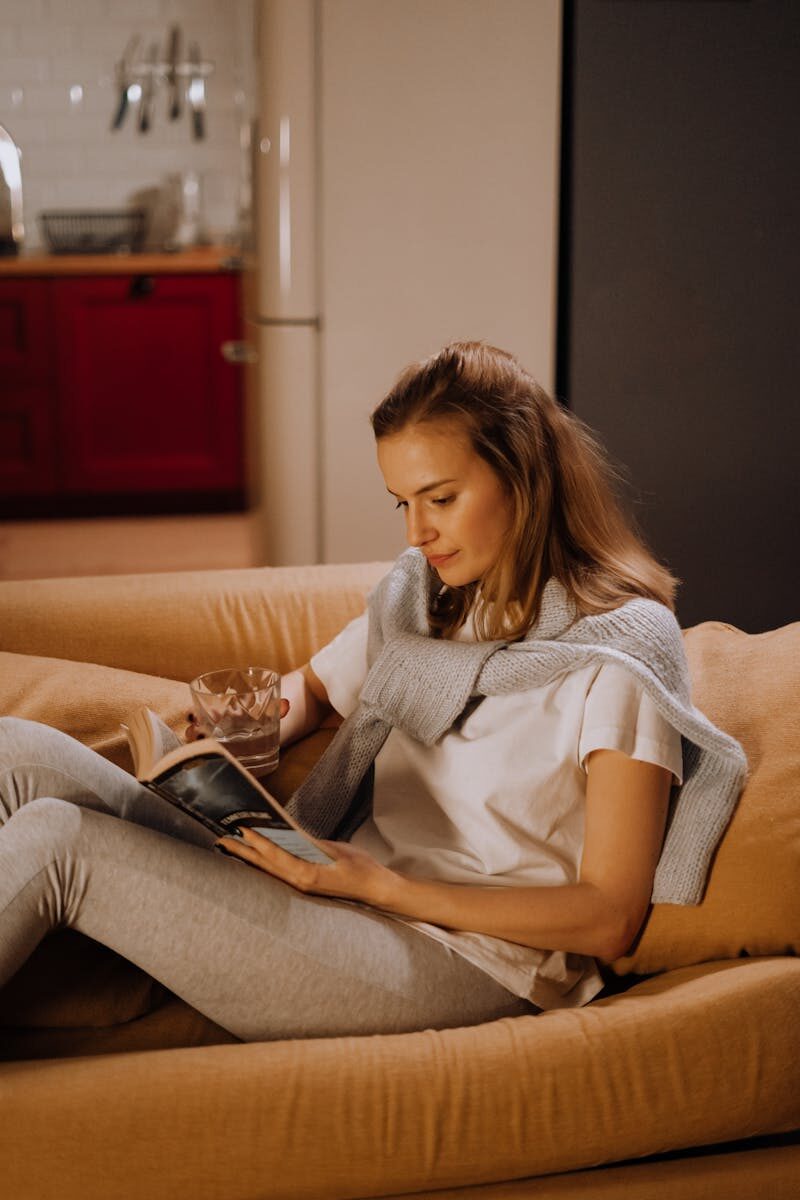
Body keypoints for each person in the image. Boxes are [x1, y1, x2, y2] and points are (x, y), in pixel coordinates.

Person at [0, 341, 745, 1042]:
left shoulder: (620, 654)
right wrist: (252, 731)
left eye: (441, 498)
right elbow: (317, 691)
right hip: (337, 887)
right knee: (17, 751)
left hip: (472, 956)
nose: (417, 532)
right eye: (402, 504)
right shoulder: (428, 598)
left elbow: (608, 917)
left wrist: (381, 888)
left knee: (57, 842)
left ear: (524, 477)